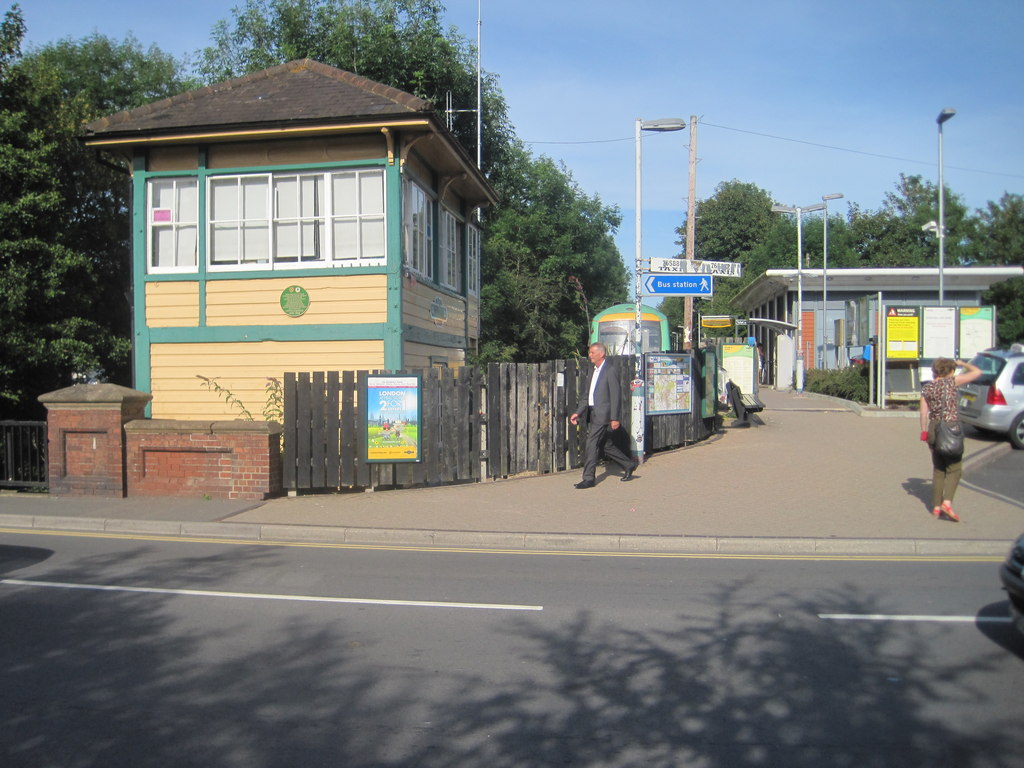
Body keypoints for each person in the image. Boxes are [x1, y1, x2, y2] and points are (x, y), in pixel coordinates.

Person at [919, 357, 982, 521]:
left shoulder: (927, 388)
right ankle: (947, 502)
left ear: (934, 371)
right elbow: (977, 372)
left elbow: (923, 413)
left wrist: (924, 432)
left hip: (934, 427)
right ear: (951, 371)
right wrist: (963, 364)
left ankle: (936, 506)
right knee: (954, 468)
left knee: (939, 468)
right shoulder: (952, 382)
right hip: (951, 427)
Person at [569, 342, 639, 489]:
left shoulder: (610, 370)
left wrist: (615, 418)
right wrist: (578, 412)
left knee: (591, 443)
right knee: (605, 445)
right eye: (589, 353)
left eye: (592, 353)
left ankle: (588, 478)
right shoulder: (593, 371)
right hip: (592, 413)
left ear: (601, 354)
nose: (590, 355)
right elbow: (586, 395)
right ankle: (629, 464)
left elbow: (615, 395)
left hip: (604, 414)